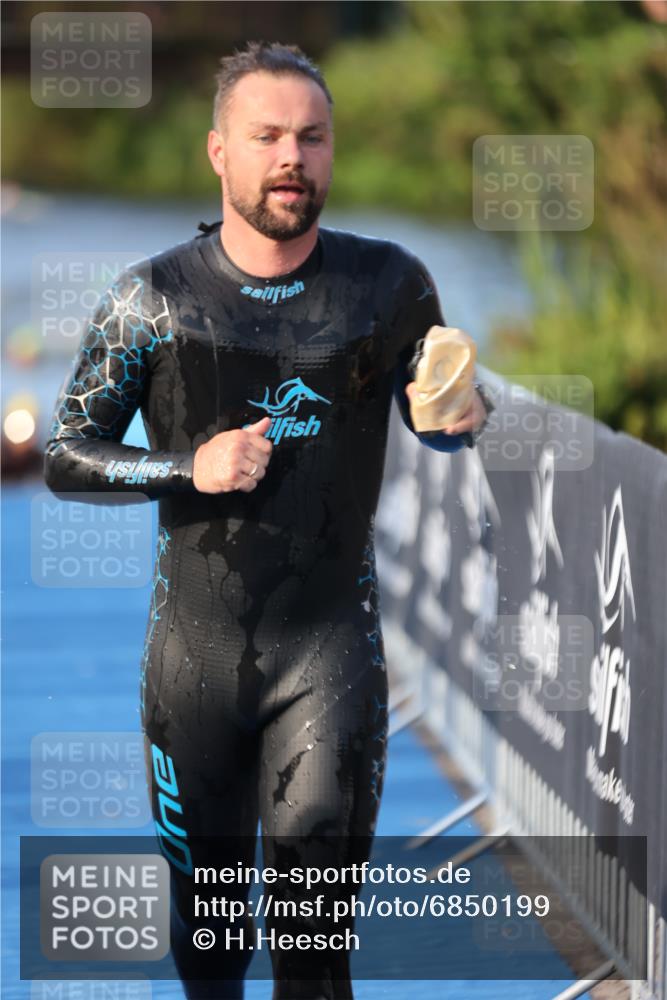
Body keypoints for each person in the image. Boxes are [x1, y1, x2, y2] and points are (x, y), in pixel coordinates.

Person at [44, 41, 491, 1000]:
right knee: (210, 953)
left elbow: (438, 419)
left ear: (331, 153)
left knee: (313, 951)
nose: (292, 155)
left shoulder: (389, 288)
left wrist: (461, 414)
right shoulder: (151, 299)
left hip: (328, 657)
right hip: (192, 668)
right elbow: (67, 454)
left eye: (312, 137)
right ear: (219, 152)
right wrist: (188, 465)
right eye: (268, 136)